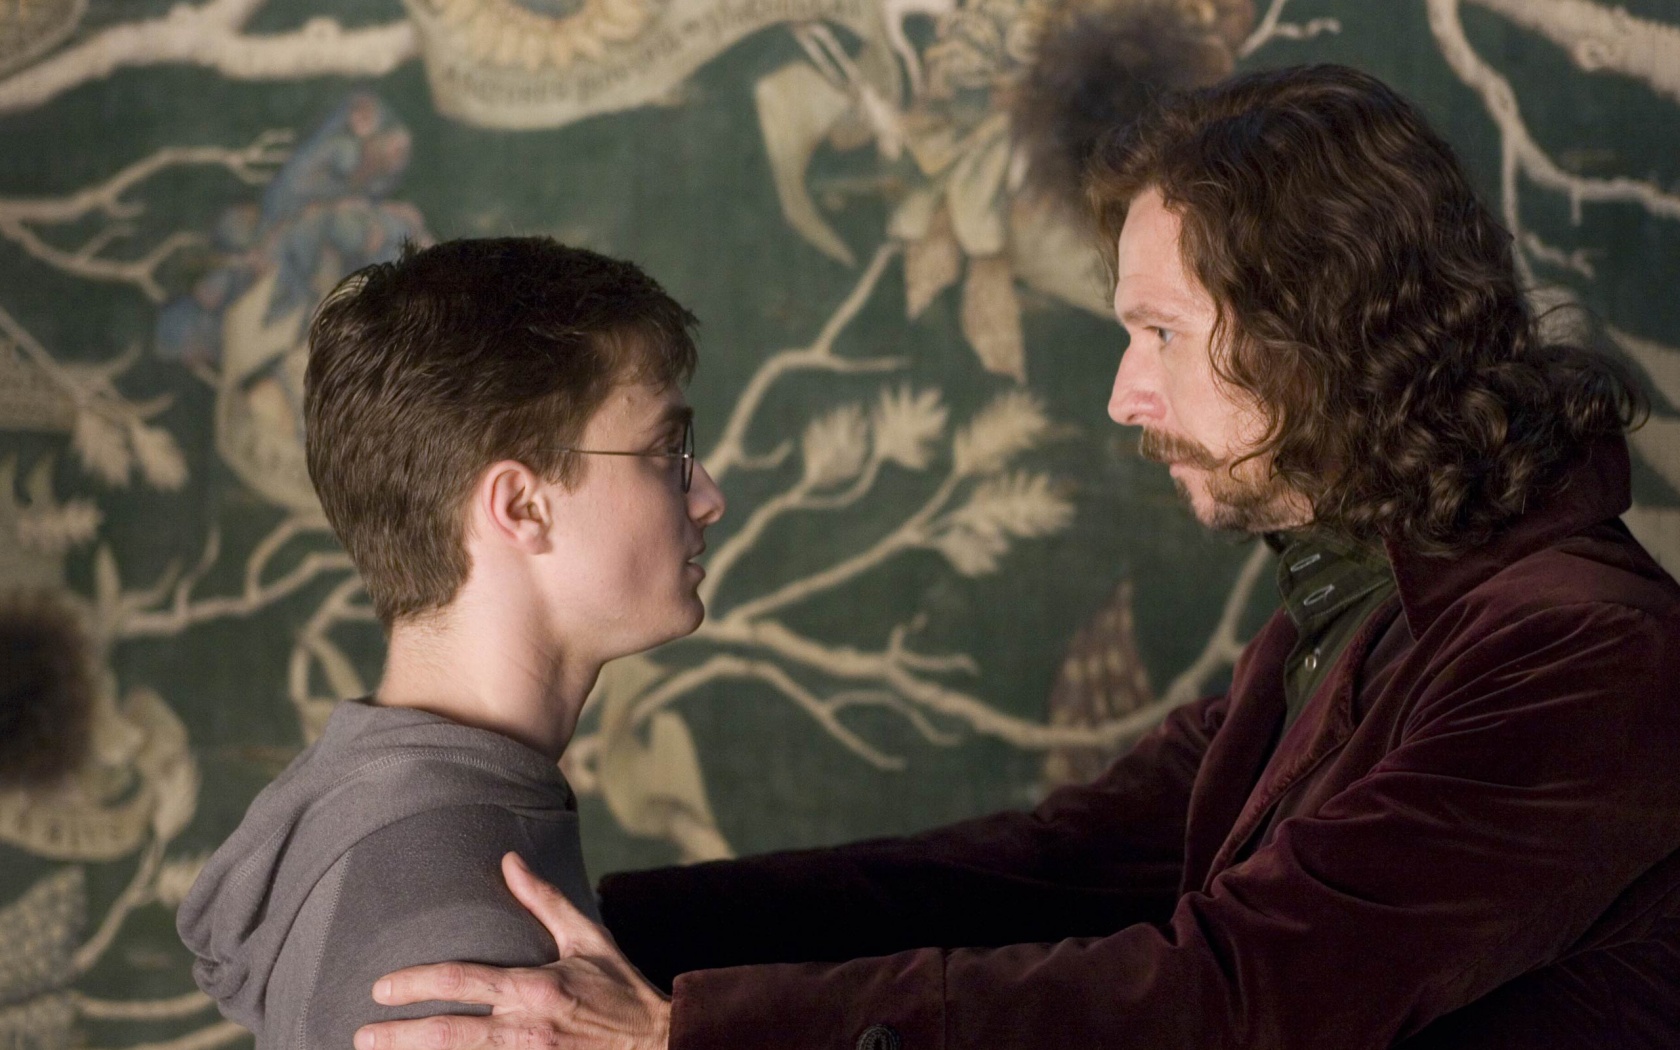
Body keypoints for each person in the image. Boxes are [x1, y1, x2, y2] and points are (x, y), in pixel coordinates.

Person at [350, 65, 1680, 1050]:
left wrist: (683, 1035)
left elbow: (1240, 996)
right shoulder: (1356, 607)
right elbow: (1043, 870)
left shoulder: (1582, 654)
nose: (1124, 395)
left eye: (1160, 334)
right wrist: (585, 923)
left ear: (1319, 334)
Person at [176, 237, 726, 1050]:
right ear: (522, 506)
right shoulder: (469, 962)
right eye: (665, 452)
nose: (708, 495)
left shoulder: (379, 812)